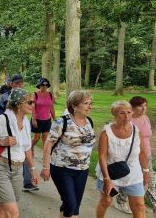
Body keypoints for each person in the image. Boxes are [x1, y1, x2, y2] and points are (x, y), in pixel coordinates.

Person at [0, 88, 39, 218]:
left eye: (34, 102)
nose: (33, 105)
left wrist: (32, 169)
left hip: (17, 169)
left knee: (6, 205)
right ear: (18, 104)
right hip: (0, 168)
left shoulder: (26, 121)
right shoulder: (3, 120)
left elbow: (27, 147)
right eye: (29, 102)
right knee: (13, 212)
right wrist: (1, 142)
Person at [40, 90, 96, 218]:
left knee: (73, 206)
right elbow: (48, 145)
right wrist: (45, 167)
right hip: (62, 168)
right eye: (86, 103)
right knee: (71, 204)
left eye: (90, 103)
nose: (90, 106)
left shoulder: (89, 122)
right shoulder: (62, 122)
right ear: (74, 106)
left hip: (82, 170)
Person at [113, 96, 156, 218]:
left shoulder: (146, 118)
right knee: (129, 178)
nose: (144, 108)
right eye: (140, 106)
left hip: (146, 154)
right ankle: (121, 201)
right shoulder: (128, 121)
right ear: (132, 108)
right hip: (133, 156)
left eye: (145, 105)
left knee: (149, 181)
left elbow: (147, 136)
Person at [95, 100, 150, 218]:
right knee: (106, 201)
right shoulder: (106, 132)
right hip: (111, 172)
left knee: (139, 206)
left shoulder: (136, 131)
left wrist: (146, 171)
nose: (126, 116)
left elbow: (142, 152)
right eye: (121, 113)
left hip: (133, 172)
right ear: (114, 114)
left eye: (129, 112)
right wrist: (107, 179)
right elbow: (102, 156)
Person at [31, 77, 56, 148]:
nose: (44, 86)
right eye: (42, 85)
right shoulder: (35, 94)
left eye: (46, 85)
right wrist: (33, 119)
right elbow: (33, 107)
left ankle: (44, 154)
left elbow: (51, 108)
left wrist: (55, 119)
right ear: (39, 85)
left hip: (47, 120)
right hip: (37, 119)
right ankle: (30, 148)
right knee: (36, 138)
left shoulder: (51, 95)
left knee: (45, 138)